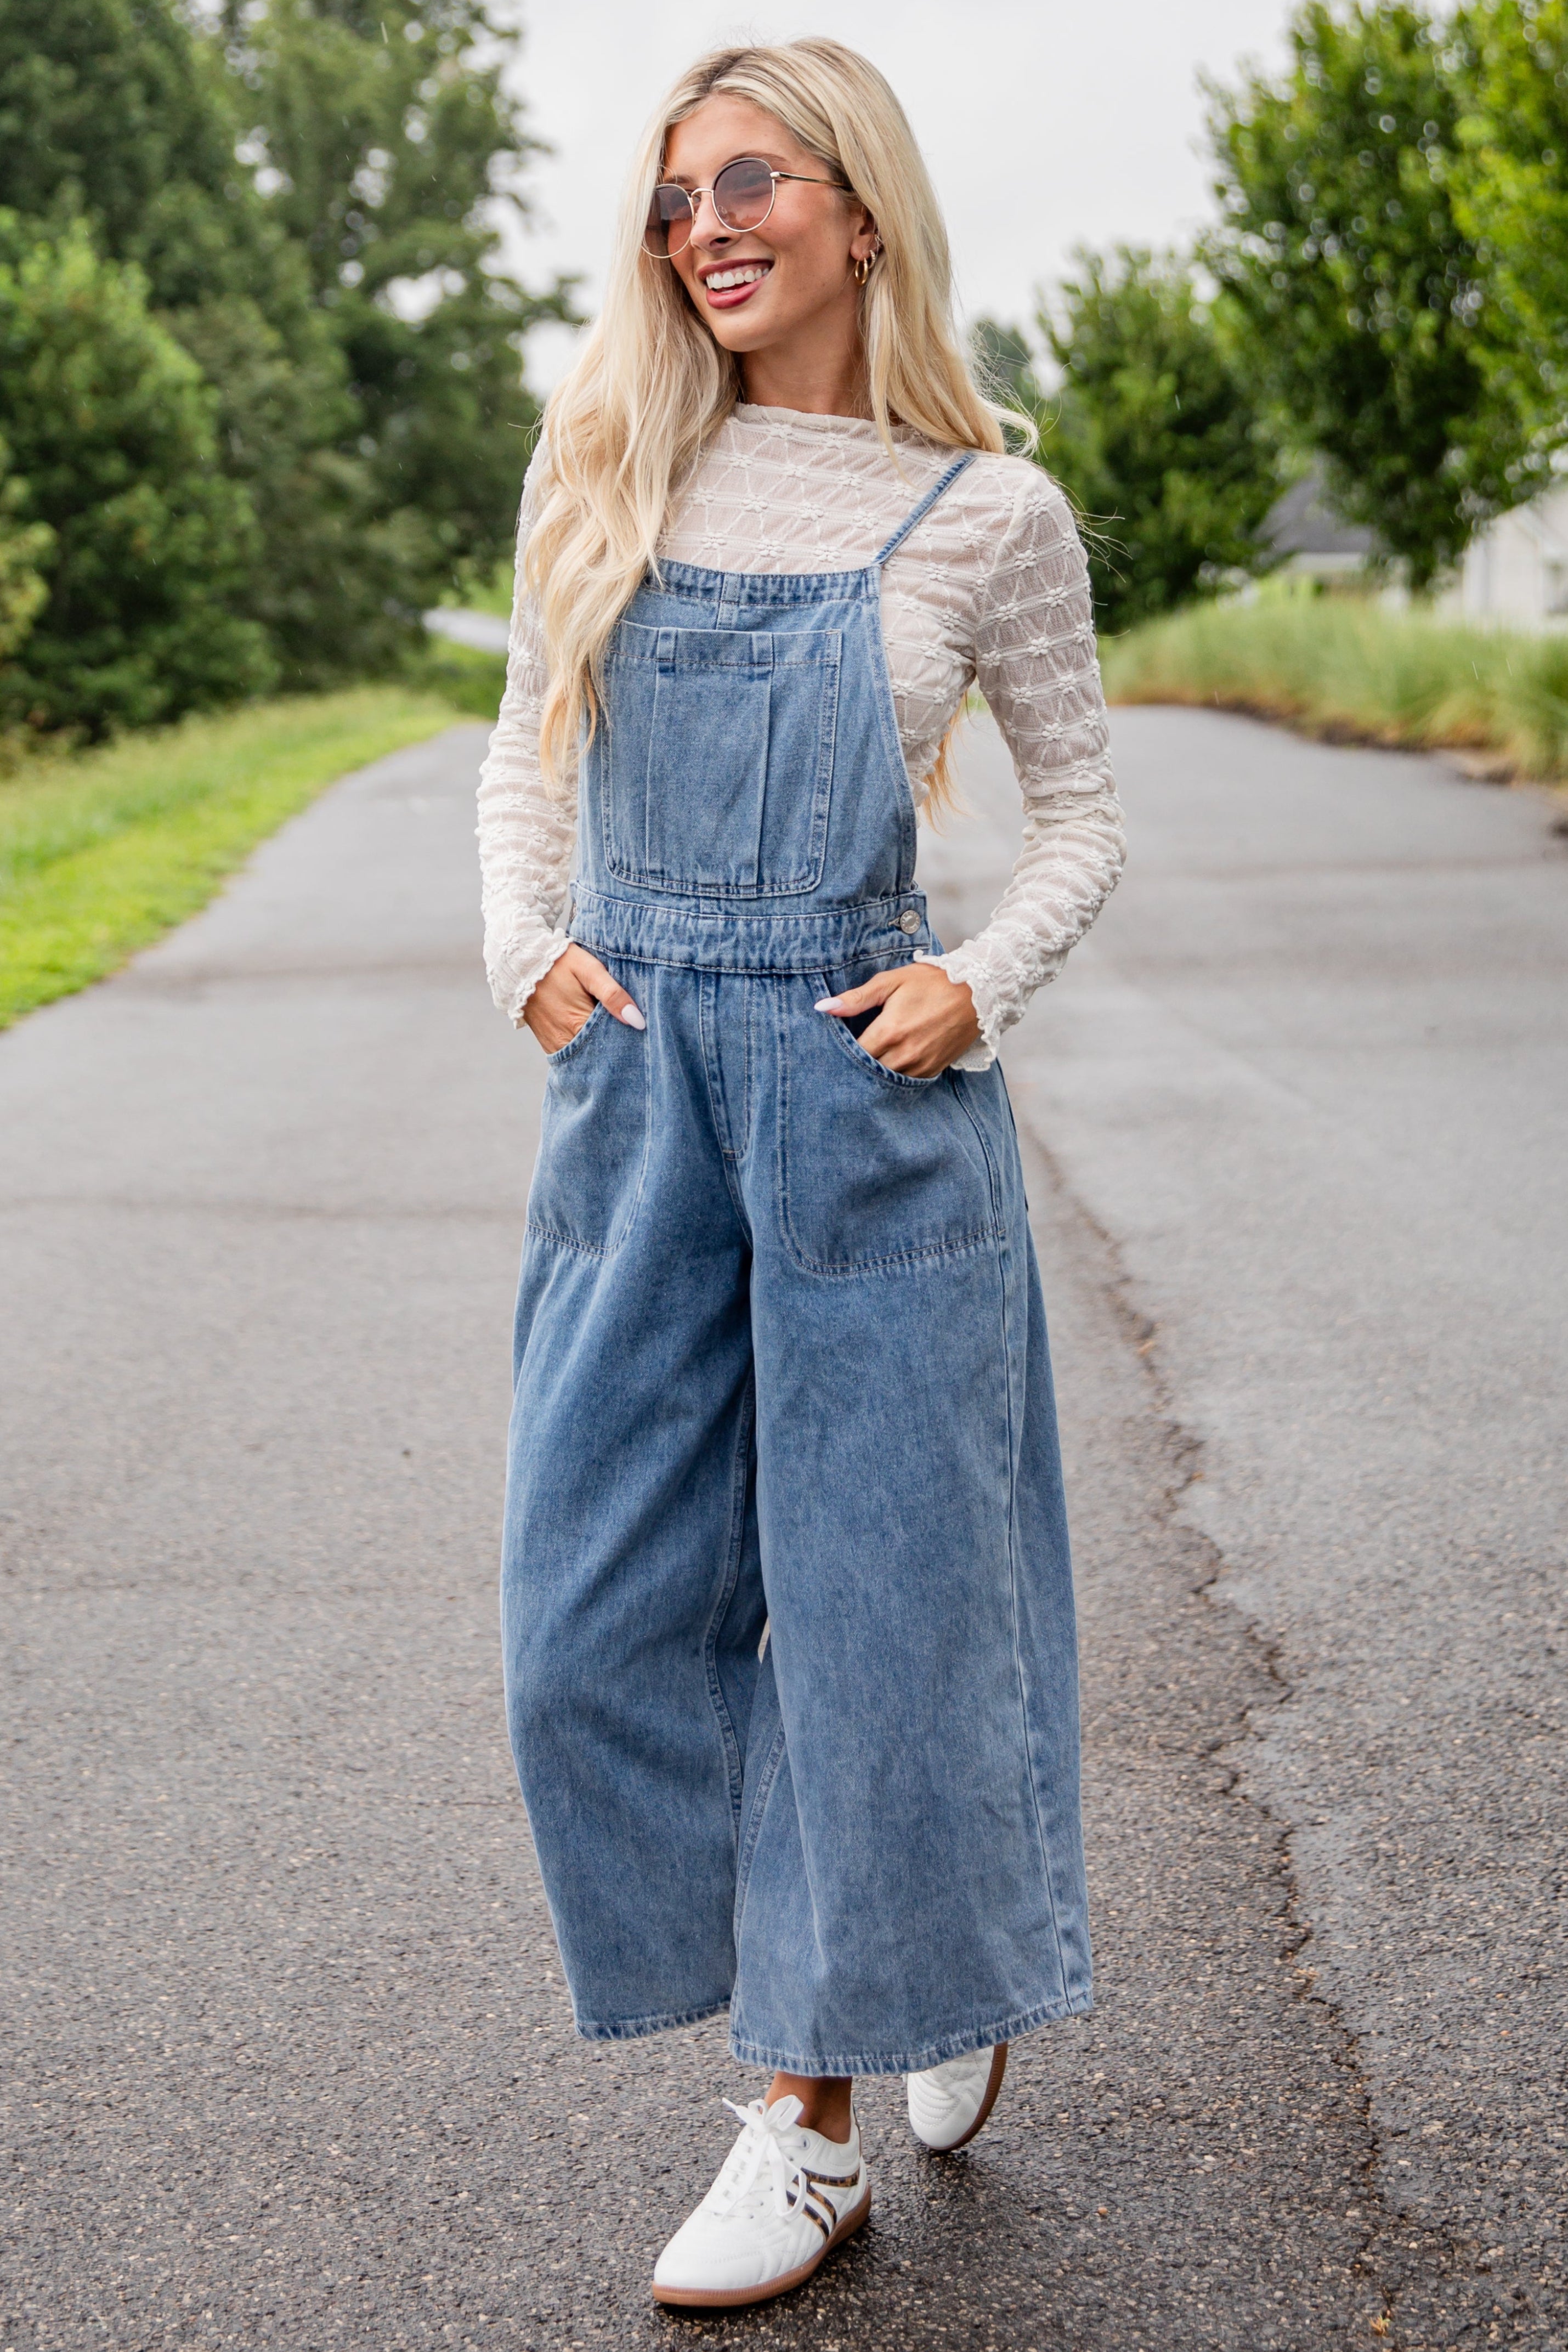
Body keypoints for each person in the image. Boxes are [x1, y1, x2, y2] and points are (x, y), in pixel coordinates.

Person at [477, 36, 1125, 2312]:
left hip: (868, 1087)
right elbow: (518, 756)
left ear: (859, 206)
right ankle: (907, 1964)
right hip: (641, 1089)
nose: (705, 229)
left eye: (750, 183)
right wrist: (524, 954)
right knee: (586, 1621)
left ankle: (808, 2105)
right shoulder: (614, 460)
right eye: (672, 202)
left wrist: (981, 984)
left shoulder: (983, 513)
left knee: (881, 1609)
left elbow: (1084, 818)